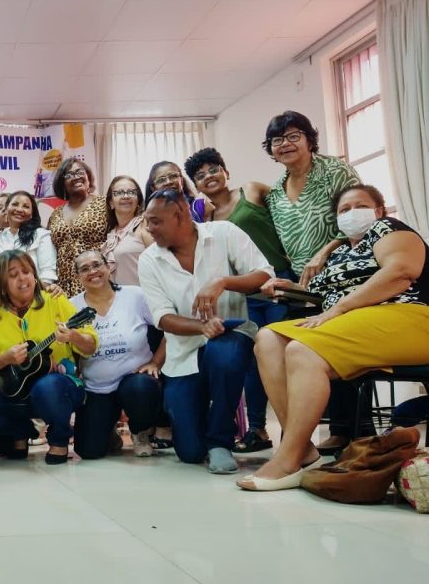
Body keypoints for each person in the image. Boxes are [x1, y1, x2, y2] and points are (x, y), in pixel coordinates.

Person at [239, 184, 429, 491]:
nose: (352, 213)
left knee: (303, 351)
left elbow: (401, 272)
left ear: (378, 210)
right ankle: (304, 453)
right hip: (352, 321)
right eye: (344, 210)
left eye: (360, 206)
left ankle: (287, 459)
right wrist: (286, 285)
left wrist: (338, 309)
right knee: (268, 339)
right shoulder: (340, 252)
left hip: (407, 317)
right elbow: (320, 297)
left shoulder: (388, 228)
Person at [138, 189, 273, 474]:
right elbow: (162, 317)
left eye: (155, 221)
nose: (149, 228)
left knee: (224, 355)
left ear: (181, 215)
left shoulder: (223, 233)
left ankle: (220, 440)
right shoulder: (150, 259)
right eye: (147, 221)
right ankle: (205, 435)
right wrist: (201, 326)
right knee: (190, 452)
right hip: (183, 353)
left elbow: (264, 274)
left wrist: (223, 281)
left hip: (232, 332)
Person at [262, 110, 363, 452]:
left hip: (345, 273)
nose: (285, 144)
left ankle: (348, 430)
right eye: (278, 140)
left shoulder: (334, 170)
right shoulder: (275, 193)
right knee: (290, 344)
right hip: (306, 285)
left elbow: (358, 216)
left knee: (337, 344)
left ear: (308, 138)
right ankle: (300, 437)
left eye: (293, 136)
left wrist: (326, 251)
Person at [187, 147, 293, 453]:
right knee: (253, 362)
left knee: (283, 357)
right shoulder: (207, 217)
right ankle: (257, 429)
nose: (209, 177)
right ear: (195, 185)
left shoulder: (252, 190)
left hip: (277, 285)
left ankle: (293, 429)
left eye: (213, 169)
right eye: (200, 175)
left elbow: (287, 218)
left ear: (226, 171)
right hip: (244, 292)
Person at [0, 250, 96, 464]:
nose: (23, 278)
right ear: (1, 284)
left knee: (47, 386)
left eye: (27, 271)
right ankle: (22, 430)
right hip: (13, 390)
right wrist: (6, 358)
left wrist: (72, 336)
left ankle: (59, 441)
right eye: (13, 275)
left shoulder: (54, 301)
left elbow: (91, 343)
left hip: (57, 387)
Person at [69, 250, 164, 459]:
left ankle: (141, 432)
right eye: (84, 269)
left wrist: (156, 361)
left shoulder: (135, 295)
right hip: (97, 387)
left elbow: (167, 325)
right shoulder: (71, 306)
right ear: (77, 276)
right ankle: (108, 430)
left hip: (135, 380)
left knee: (141, 388)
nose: (92, 271)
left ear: (108, 266)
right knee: (88, 451)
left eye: (97, 265)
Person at [47, 158, 108, 296]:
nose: (75, 177)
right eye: (68, 175)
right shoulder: (55, 214)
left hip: (97, 281)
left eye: (80, 172)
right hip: (63, 289)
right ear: (62, 183)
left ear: (88, 176)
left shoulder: (104, 204)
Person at [0, 190, 60, 294]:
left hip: (36, 297)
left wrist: (26, 291)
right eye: (15, 204)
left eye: (26, 206)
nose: (19, 209)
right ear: (6, 209)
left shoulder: (41, 235)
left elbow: (47, 276)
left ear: (32, 213)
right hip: (4, 300)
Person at [101, 175, 154, 287]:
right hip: (121, 300)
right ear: (111, 202)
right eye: (119, 193)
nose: (126, 196)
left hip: (147, 299)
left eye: (131, 192)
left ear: (138, 200)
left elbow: (161, 262)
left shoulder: (145, 223)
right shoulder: (111, 234)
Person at [144, 161, 209, 222]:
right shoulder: (147, 218)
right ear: (153, 188)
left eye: (173, 176)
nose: (168, 182)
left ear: (181, 180)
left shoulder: (202, 206)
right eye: (161, 180)